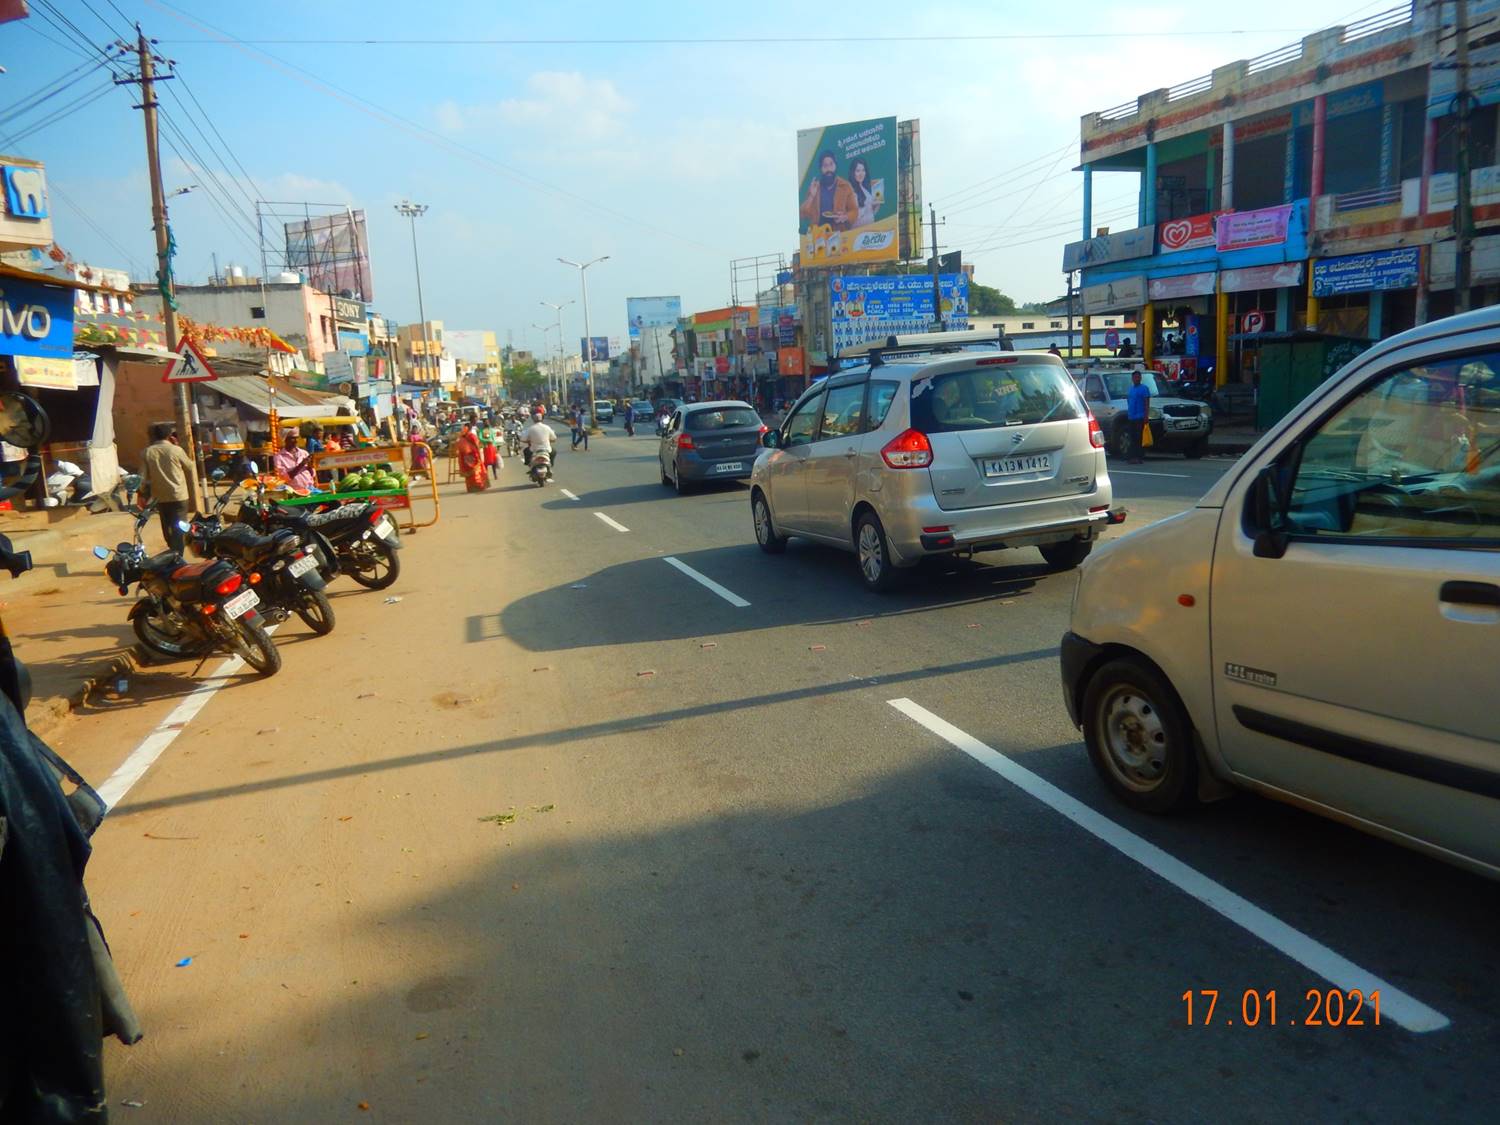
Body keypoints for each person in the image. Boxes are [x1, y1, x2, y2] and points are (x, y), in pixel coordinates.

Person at [140, 421, 194, 552]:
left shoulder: (147, 452)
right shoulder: (176, 450)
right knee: (179, 527)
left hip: (160, 497)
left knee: (166, 526)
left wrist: (142, 493)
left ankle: (173, 550)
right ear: (169, 435)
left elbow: (142, 477)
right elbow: (190, 466)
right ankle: (177, 555)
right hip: (179, 495)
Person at [800, 149, 858, 232]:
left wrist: (846, 216)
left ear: (835, 166)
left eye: (831, 164)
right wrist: (811, 196)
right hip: (818, 235)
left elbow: (854, 211)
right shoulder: (815, 187)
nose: (828, 169)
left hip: (839, 234)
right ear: (821, 168)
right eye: (825, 165)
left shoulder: (845, 186)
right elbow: (803, 214)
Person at [455, 421, 489, 492]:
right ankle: (475, 487)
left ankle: (475, 487)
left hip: (470, 457)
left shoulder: (468, 436)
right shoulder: (467, 436)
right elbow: (477, 446)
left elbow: (476, 445)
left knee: (473, 474)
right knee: (474, 473)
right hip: (470, 457)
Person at [1126, 369, 1151, 463]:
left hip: (1140, 417)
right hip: (1131, 417)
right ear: (1132, 378)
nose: (1137, 379)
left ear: (1141, 378)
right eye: (1135, 377)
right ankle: (1132, 457)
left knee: (1138, 438)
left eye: (1138, 377)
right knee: (1132, 437)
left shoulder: (1144, 388)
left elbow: (1146, 402)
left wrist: (1146, 415)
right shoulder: (1131, 389)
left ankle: (1138, 457)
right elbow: (1129, 401)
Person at [849, 155, 879, 226]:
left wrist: (877, 204)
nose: (861, 174)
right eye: (858, 171)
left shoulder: (864, 188)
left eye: (863, 170)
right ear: (853, 172)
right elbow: (854, 218)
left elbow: (871, 213)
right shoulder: (851, 191)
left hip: (870, 229)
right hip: (858, 231)